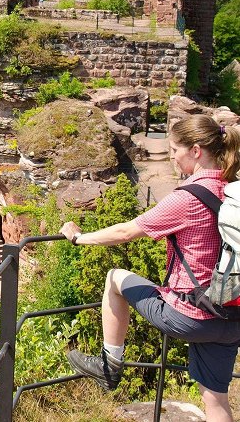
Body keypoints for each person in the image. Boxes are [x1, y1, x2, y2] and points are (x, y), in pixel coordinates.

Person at [59, 114, 240, 422]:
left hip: (191, 315)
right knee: (215, 400)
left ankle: (109, 365)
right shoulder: (231, 190)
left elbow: (126, 232)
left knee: (115, 278)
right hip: (231, 316)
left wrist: (78, 238)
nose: (171, 156)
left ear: (196, 151)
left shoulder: (188, 196)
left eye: (174, 150)